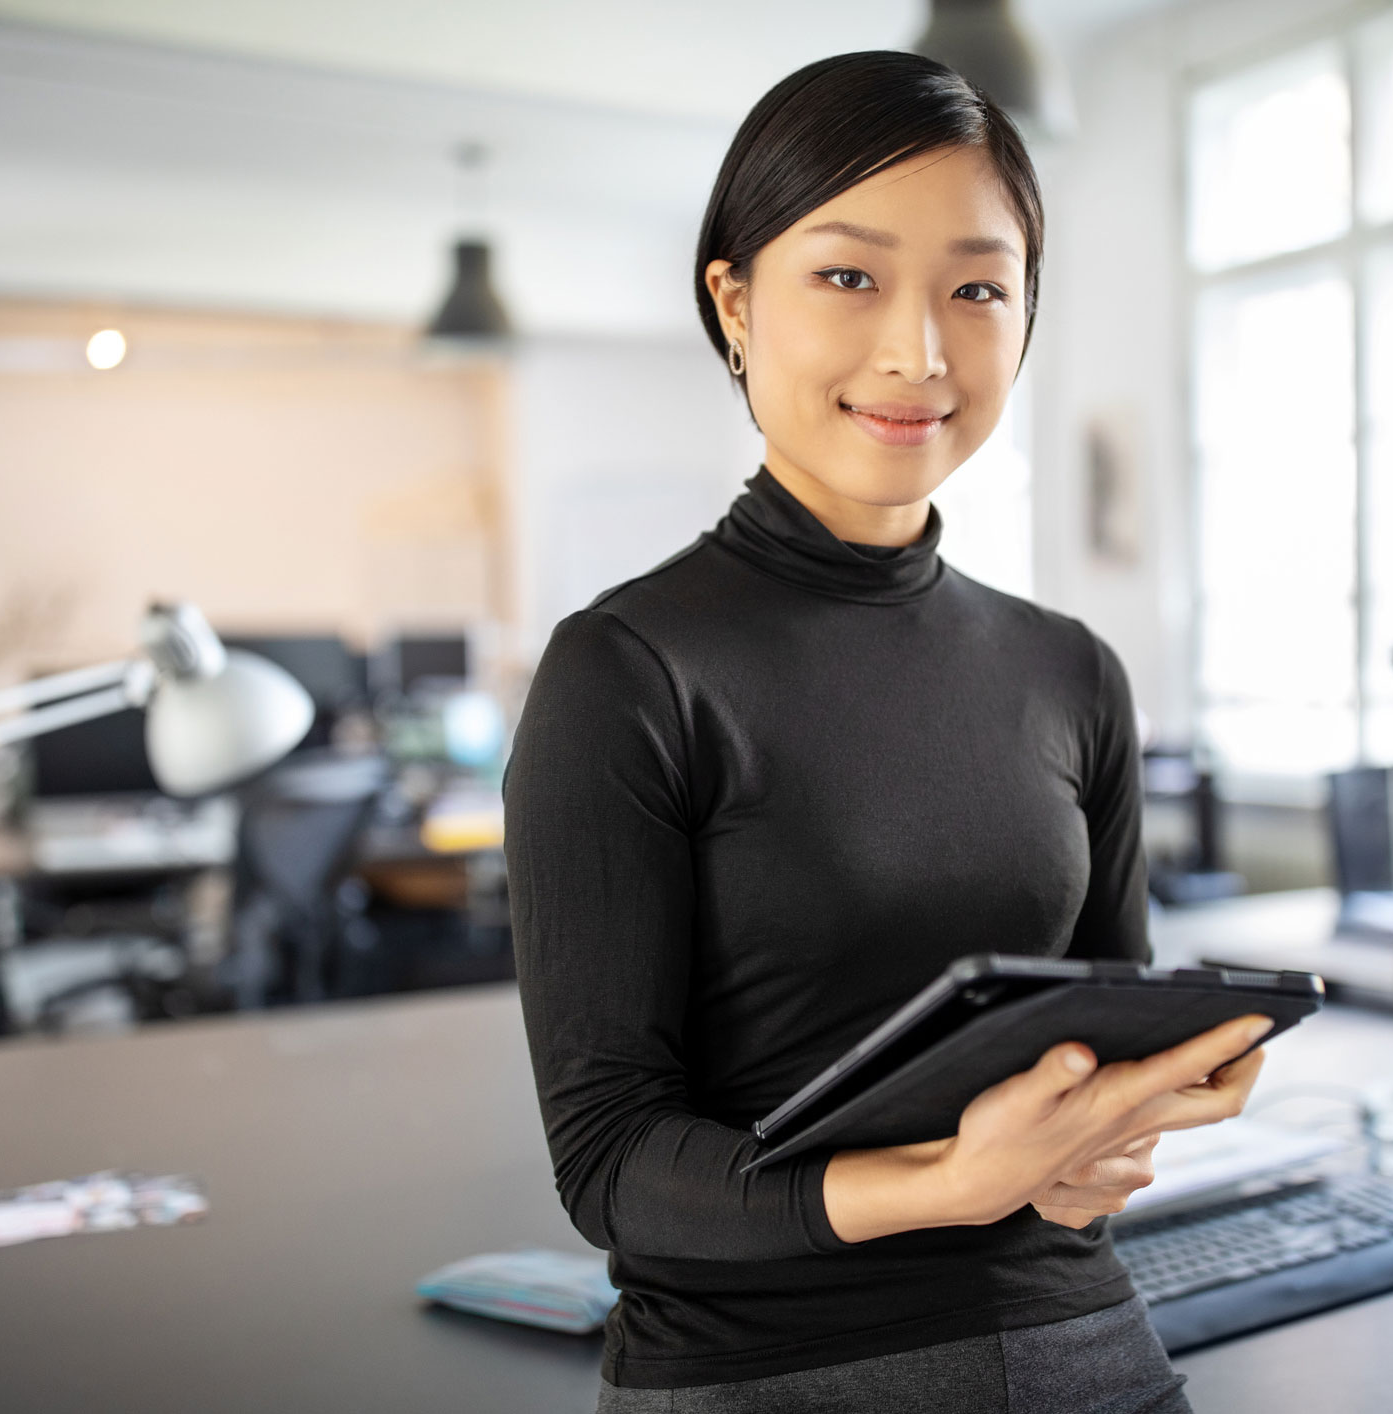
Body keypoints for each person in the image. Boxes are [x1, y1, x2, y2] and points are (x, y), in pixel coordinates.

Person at [504, 50, 1267, 1414]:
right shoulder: (625, 671)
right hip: (761, 1370)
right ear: (732, 299)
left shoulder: (1070, 672)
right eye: (848, 276)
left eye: (976, 288)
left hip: (1078, 1338)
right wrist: (944, 1181)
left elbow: (1088, 1071)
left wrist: (1114, 1137)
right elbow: (611, 1161)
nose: (917, 350)